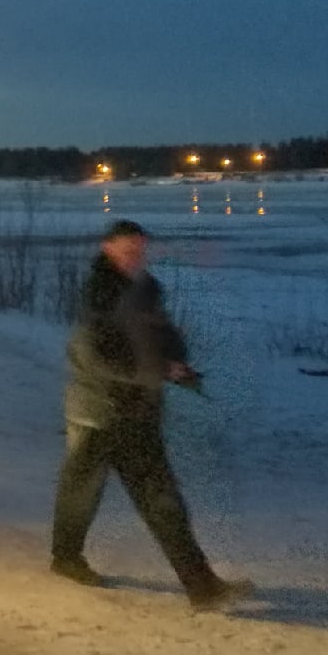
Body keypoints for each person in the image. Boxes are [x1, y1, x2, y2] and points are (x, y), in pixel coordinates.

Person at [50, 219, 253, 611]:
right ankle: (66, 557)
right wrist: (158, 371)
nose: (135, 257)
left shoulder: (146, 289)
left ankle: (202, 586)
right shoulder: (98, 294)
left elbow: (166, 335)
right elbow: (96, 357)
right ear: (108, 248)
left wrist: (177, 360)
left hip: (138, 410)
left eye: (140, 250)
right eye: (127, 250)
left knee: (160, 498)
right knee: (82, 490)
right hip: (100, 411)